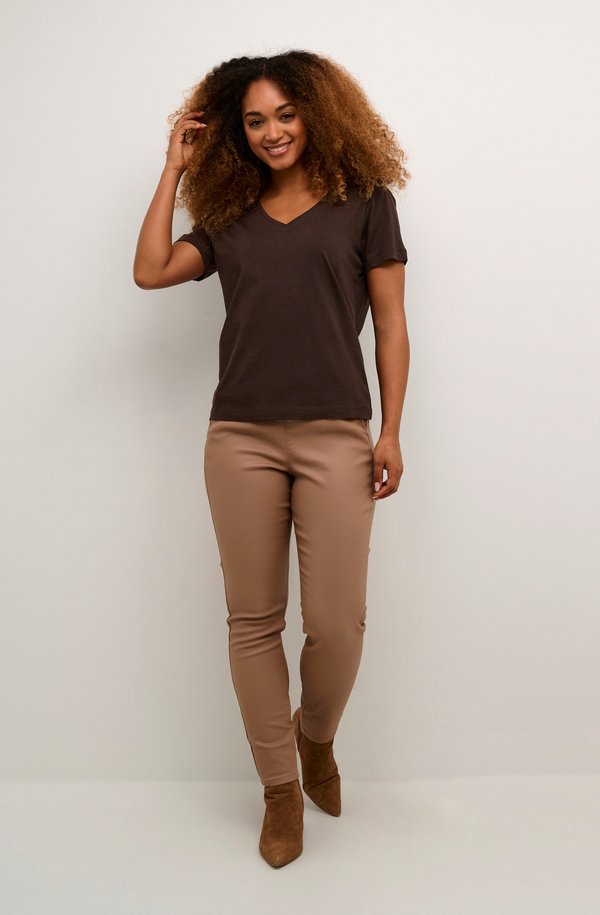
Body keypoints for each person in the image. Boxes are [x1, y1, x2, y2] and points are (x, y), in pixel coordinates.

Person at [133, 49, 411, 869]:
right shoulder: (229, 212)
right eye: (254, 120)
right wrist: (174, 169)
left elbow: (391, 324)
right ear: (237, 131)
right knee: (253, 621)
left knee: (336, 622)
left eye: (285, 114)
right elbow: (150, 271)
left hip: (336, 432)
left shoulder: (366, 203)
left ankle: (315, 735)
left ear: (317, 113)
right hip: (240, 437)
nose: (272, 132)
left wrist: (390, 430)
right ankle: (280, 789)